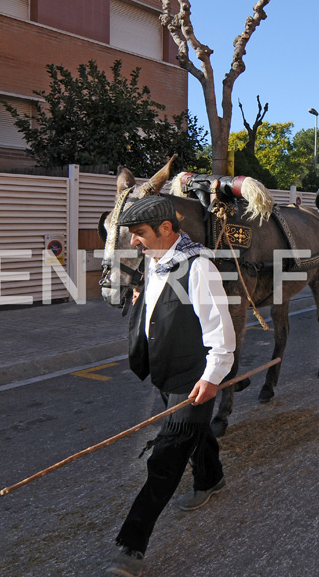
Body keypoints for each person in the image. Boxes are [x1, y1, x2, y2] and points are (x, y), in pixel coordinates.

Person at [107, 196, 236, 577]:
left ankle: (131, 546)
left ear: (166, 230)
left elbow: (221, 333)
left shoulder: (199, 268)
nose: (134, 242)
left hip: (192, 377)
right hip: (166, 372)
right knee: (196, 434)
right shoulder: (156, 261)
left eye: (140, 234)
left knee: (164, 457)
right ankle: (211, 478)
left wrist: (213, 378)